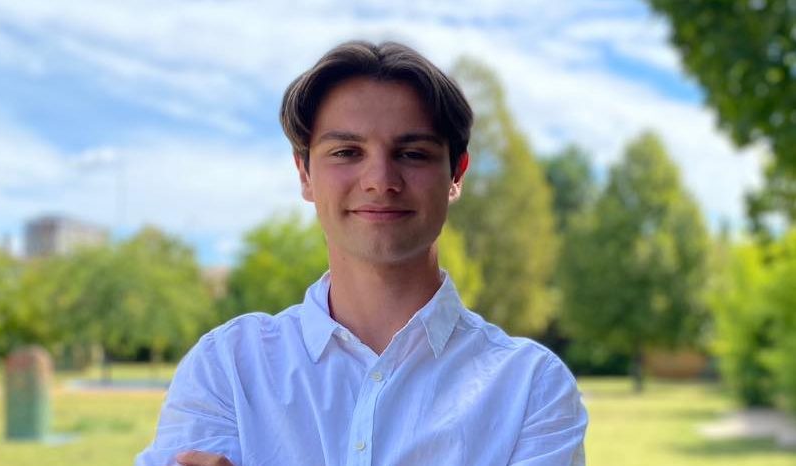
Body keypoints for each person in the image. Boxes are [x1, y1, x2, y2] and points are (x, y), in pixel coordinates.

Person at [136, 40, 587, 466]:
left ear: (457, 173)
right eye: (347, 152)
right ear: (304, 173)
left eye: (412, 153)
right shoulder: (228, 369)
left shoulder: (532, 388)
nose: (380, 181)